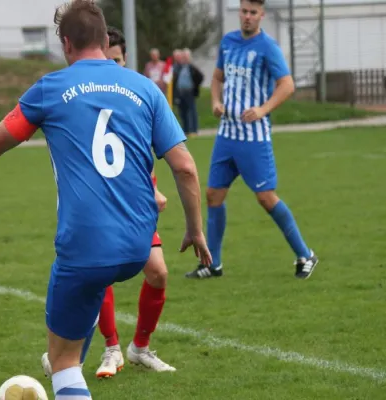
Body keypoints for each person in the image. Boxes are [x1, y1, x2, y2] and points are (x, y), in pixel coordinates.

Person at [0, 1, 211, 399]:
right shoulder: (145, 88)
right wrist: (195, 230)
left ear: (66, 43)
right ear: (103, 39)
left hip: (84, 246)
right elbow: (184, 167)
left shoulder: (51, 89)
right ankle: (106, 338)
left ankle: (73, 360)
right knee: (96, 292)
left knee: (62, 362)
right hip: (137, 245)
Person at [41, 25, 175, 381]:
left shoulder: (136, 91)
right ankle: (110, 346)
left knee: (159, 273)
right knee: (101, 274)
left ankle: (138, 348)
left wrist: (152, 190)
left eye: (117, 59)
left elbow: (132, 155)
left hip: (136, 207)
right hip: (103, 208)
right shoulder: (84, 91)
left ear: (124, 58)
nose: (111, 66)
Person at [185, 0, 318, 280]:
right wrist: (216, 102)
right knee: (213, 196)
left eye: (252, 13)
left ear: (262, 15)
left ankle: (305, 254)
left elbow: (287, 84)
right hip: (226, 136)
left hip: (253, 139)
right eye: (244, 11)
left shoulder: (267, 47)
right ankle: (213, 264)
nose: (247, 17)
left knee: (266, 198)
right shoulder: (229, 42)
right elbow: (218, 78)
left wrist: (262, 109)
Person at [172, 48, 204, 136]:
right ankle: (185, 130)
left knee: (191, 111)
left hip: (189, 92)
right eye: (183, 57)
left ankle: (193, 130)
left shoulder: (192, 67)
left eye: (185, 57)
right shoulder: (179, 68)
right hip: (181, 92)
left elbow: (200, 77)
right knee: (183, 112)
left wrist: (195, 86)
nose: (184, 59)